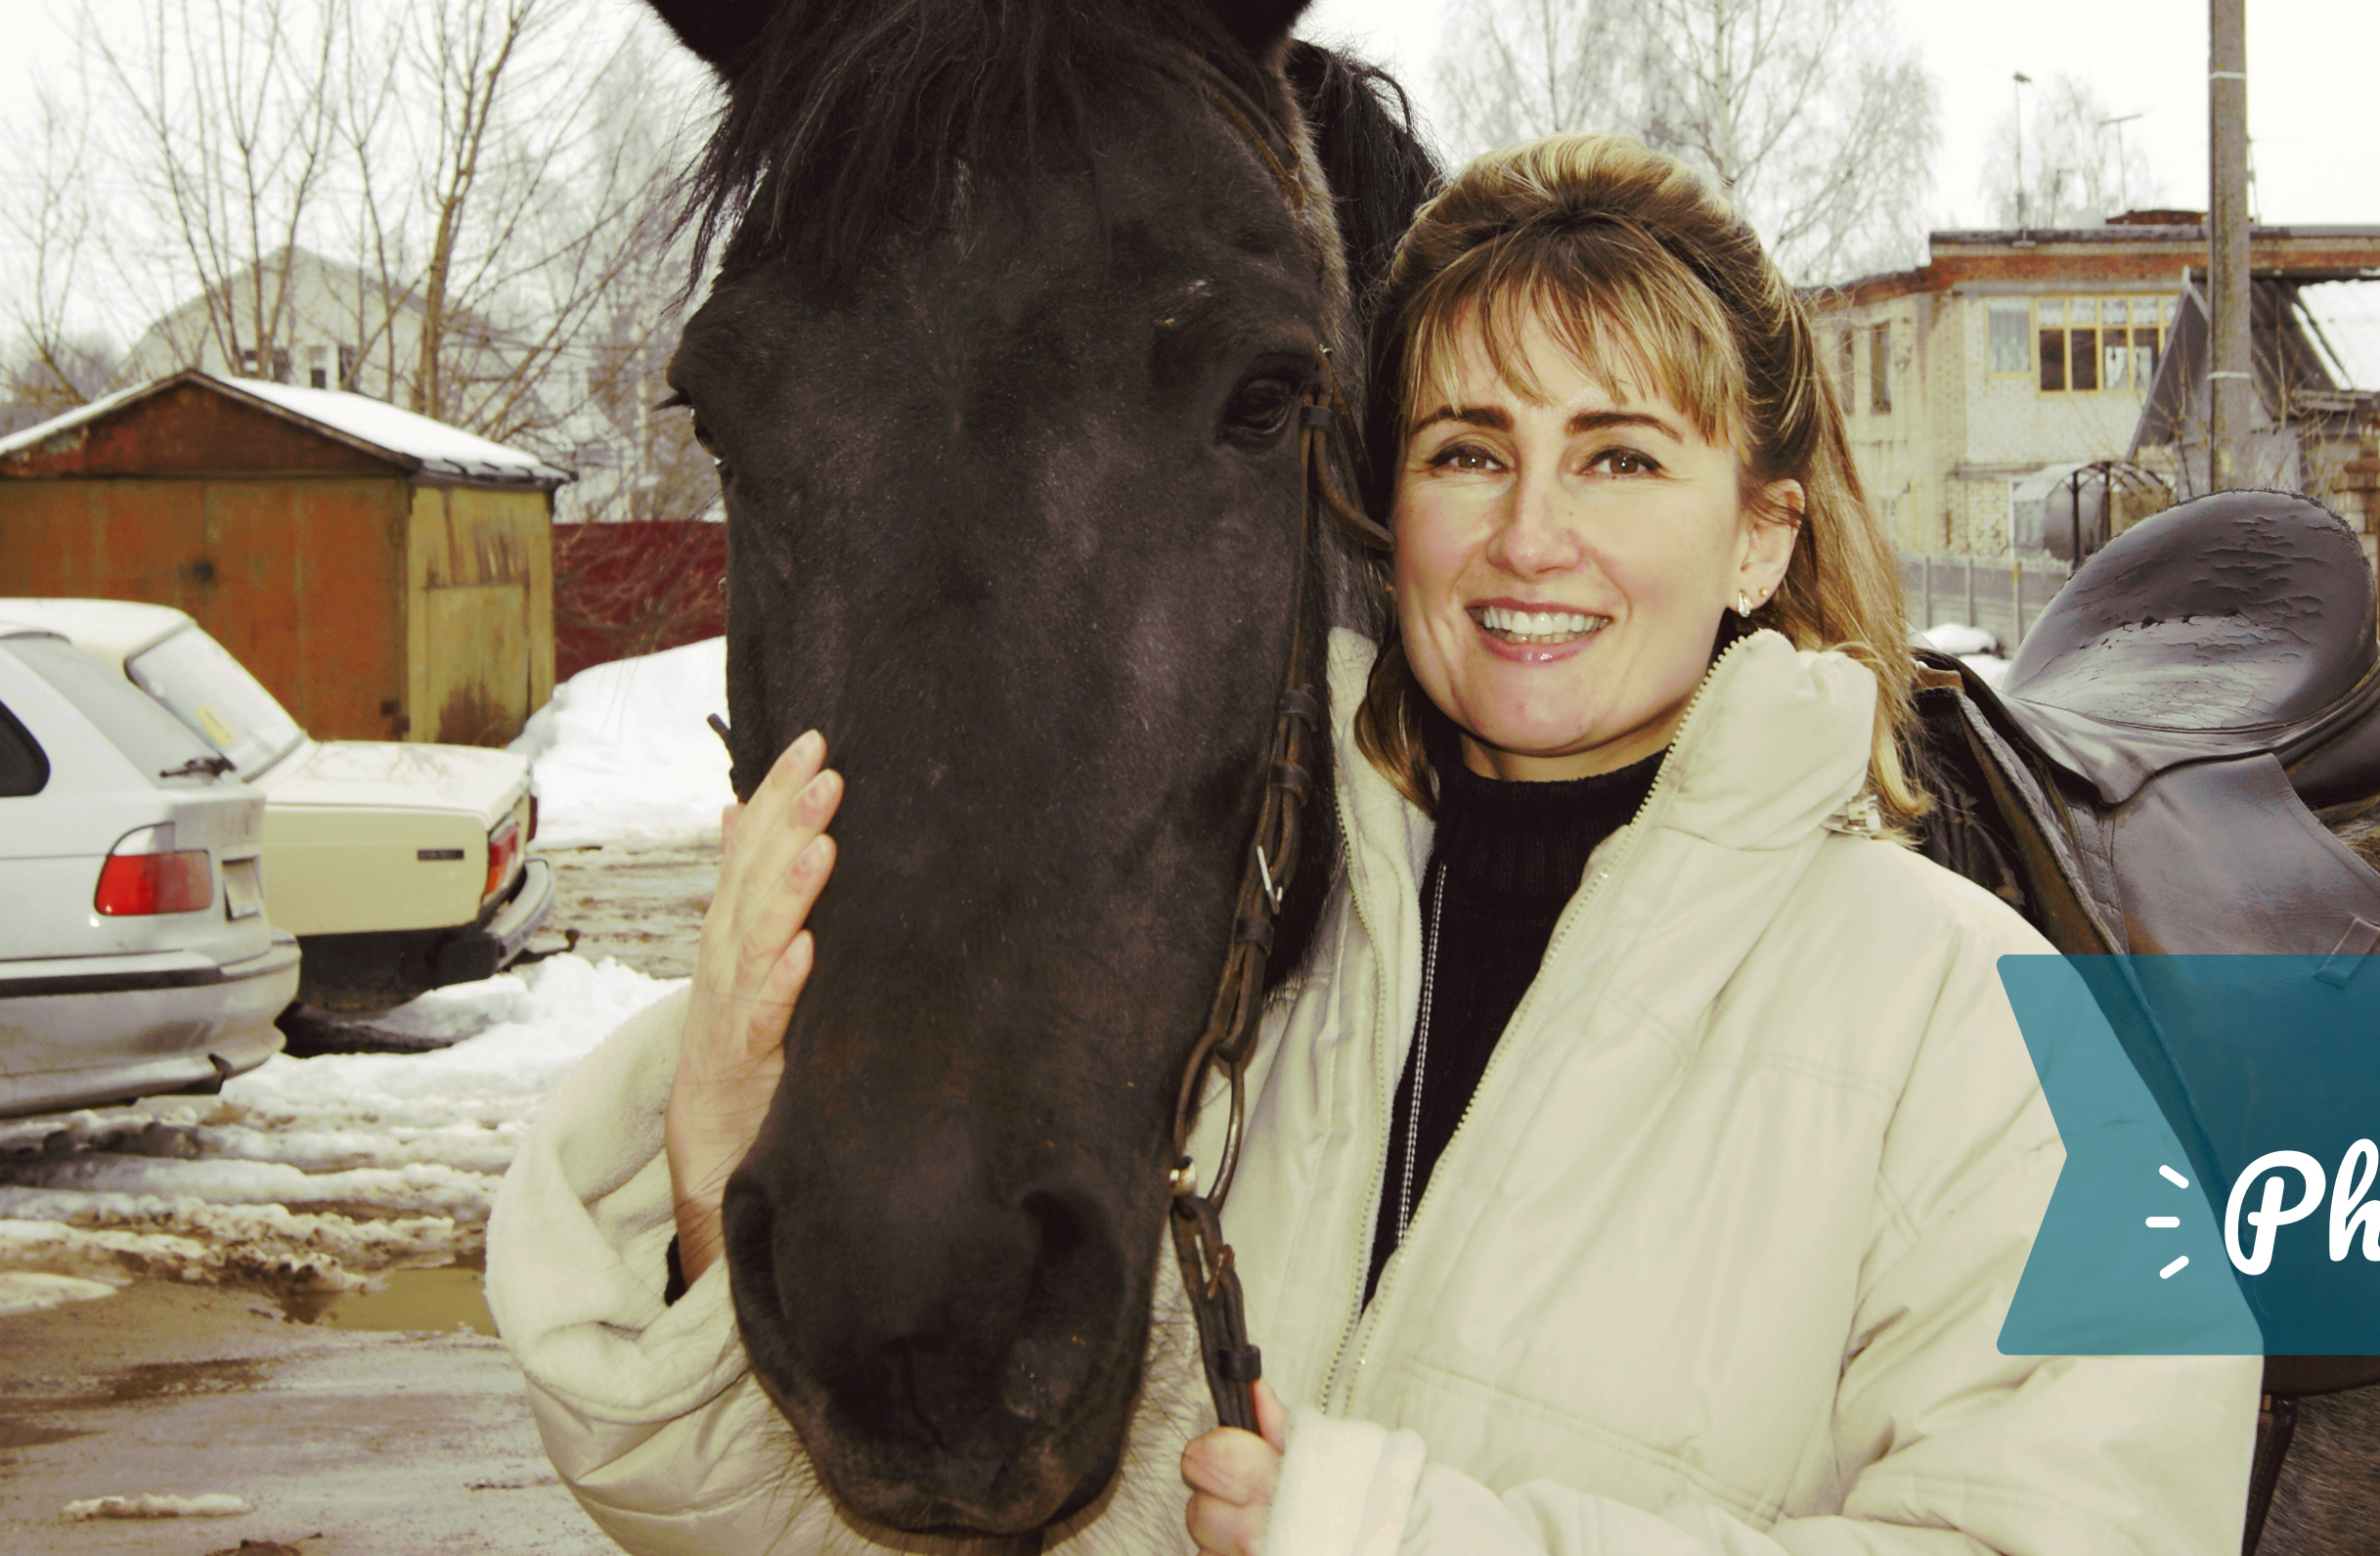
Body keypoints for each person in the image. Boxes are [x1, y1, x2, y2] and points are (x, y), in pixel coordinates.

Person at [493, 134, 2259, 1556]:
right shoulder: (1230, 974)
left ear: (1758, 538)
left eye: (1623, 461)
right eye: (1468, 451)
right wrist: (726, 1206)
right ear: (1380, 507)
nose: (1532, 537)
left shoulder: (1994, 1020)